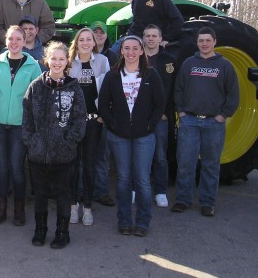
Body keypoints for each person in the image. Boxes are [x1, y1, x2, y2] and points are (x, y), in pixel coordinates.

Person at [98, 35, 165, 237]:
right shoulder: (112, 76)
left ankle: (143, 222)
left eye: (135, 48)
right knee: (123, 179)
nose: (131, 52)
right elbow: (103, 105)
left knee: (143, 180)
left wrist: (148, 125)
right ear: (122, 51)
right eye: (127, 48)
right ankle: (124, 221)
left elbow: (159, 104)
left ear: (141, 51)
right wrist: (113, 125)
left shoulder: (151, 75)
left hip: (144, 137)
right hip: (119, 137)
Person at [23, 42, 87, 249]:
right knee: (40, 193)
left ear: (66, 61)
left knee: (63, 194)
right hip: (38, 153)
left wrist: (70, 143)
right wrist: (31, 141)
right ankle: (40, 230)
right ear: (46, 60)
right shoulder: (36, 86)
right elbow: (27, 118)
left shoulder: (73, 87)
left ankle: (62, 232)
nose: (57, 63)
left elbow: (79, 118)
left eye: (61, 59)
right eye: (53, 58)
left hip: (64, 154)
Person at [171, 27, 239, 217]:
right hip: (190, 121)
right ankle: (183, 200)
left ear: (214, 42)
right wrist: (182, 112)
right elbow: (179, 89)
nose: (204, 44)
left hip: (213, 123)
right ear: (197, 42)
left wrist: (223, 115)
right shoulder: (189, 64)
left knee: (210, 165)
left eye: (208, 40)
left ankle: (208, 202)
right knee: (185, 163)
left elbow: (233, 95)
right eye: (201, 41)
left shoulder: (224, 66)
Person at [0, 25, 42, 227]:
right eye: (11, 39)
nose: (14, 43)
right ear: (6, 40)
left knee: (16, 167)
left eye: (18, 39)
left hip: (21, 126)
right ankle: (0, 210)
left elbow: (36, 98)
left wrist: (32, 126)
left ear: (24, 40)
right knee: (2, 168)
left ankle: (19, 210)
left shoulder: (32, 65)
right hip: (0, 125)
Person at [67, 27, 110, 226]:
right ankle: (73, 205)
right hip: (73, 122)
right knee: (73, 165)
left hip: (94, 121)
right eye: (81, 39)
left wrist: (103, 116)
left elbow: (108, 90)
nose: (85, 43)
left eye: (89, 39)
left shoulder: (102, 61)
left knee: (90, 165)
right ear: (77, 42)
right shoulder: (68, 63)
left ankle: (88, 207)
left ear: (94, 43)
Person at [142, 24, 177, 208]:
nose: (150, 39)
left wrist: (166, 113)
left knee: (160, 156)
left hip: (161, 117)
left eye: (154, 35)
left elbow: (173, 90)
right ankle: (138, 190)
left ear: (160, 38)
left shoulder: (169, 60)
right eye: (147, 35)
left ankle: (161, 191)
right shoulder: (137, 58)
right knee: (140, 156)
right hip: (140, 117)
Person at [89, 20, 117, 208]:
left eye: (102, 32)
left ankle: (101, 191)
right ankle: (81, 190)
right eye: (95, 32)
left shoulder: (113, 58)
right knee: (82, 156)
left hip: (104, 114)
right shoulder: (78, 56)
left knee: (102, 155)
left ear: (106, 36)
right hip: (84, 115)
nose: (99, 35)